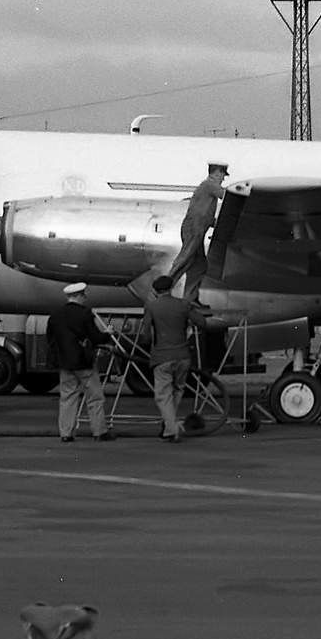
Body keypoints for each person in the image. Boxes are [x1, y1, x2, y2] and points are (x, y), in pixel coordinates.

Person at [137, 274, 208, 442]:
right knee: (177, 390)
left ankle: (172, 428)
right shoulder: (183, 304)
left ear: (155, 291)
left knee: (162, 395)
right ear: (170, 289)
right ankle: (169, 426)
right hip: (183, 357)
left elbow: (146, 336)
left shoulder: (152, 307)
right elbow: (202, 323)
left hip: (162, 357)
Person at [48, 282, 113, 442]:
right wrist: (108, 334)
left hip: (65, 363)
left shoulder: (55, 315)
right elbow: (95, 336)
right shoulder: (85, 314)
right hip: (84, 362)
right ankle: (99, 432)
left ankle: (66, 433)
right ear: (79, 295)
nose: (86, 298)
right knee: (95, 397)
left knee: (67, 398)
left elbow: (50, 339)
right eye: (84, 295)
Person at [167, 162, 227, 300]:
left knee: (199, 266)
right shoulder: (209, 184)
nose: (223, 179)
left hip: (198, 227)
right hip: (194, 227)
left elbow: (205, 214)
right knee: (185, 258)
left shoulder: (206, 189)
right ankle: (162, 291)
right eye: (223, 175)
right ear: (217, 173)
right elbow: (228, 196)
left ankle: (190, 299)